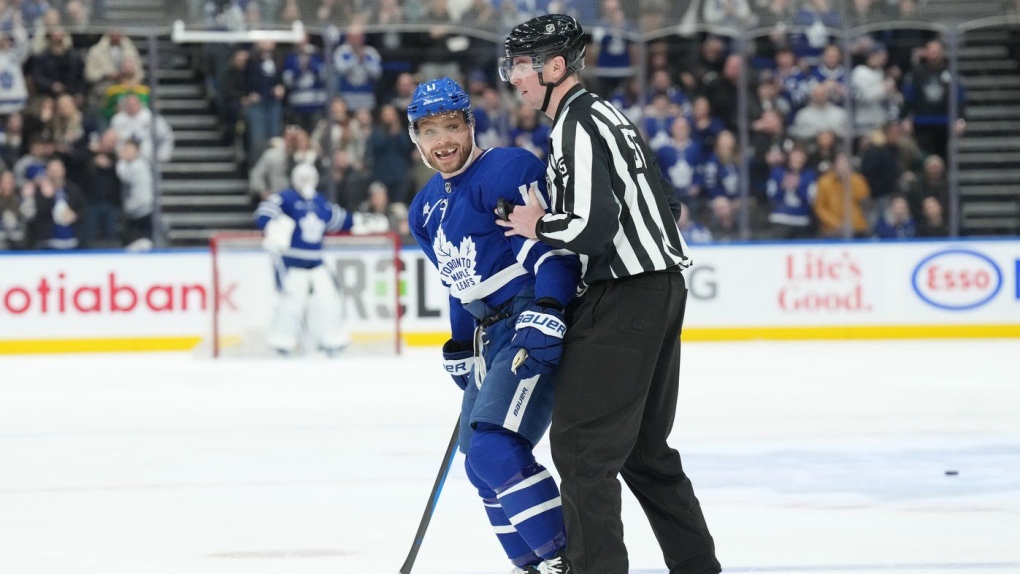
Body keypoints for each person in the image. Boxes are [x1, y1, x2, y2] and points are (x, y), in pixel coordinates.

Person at [497, 14, 721, 574]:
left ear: (555, 67)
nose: (513, 77)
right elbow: (666, 204)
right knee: (645, 452)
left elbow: (591, 229)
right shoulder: (609, 115)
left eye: (521, 66)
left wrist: (536, 224)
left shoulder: (575, 124)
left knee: (581, 448)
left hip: (624, 295)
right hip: (659, 289)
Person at [405, 77, 581, 574]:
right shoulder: (423, 210)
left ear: (470, 125)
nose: (443, 141)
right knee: (479, 464)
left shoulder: (506, 170)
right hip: (488, 335)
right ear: (415, 138)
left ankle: (567, 562)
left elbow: (550, 250)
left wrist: (549, 307)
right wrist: (461, 344)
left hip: (527, 318)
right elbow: (459, 283)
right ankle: (532, 566)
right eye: (429, 131)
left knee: (495, 448)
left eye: (452, 127)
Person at [253, 163, 388, 355]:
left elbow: (340, 219)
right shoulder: (286, 198)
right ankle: (282, 341)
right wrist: (272, 227)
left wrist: (364, 221)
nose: (306, 181)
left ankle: (330, 339)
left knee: (329, 299)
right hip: (292, 262)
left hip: (316, 262)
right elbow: (264, 213)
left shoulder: (319, 201)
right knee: (290, 303)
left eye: (309, 178)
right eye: (302, 178)